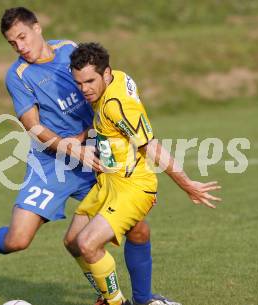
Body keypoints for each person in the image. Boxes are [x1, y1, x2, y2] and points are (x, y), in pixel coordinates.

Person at [0, 7, 160, 305]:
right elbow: (32, 125)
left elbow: (102, 88)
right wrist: (66, 146)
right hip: (51, 163)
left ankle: (143, 300)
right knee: (18, 240)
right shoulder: (17, 75)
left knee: (138, 228)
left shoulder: (69, 49)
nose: (21, 47)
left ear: (38, 28)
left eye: (23, 37)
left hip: (92, 156)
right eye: (13, 43)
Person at [65, 42, 222, 305]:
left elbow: (151, 146)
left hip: (132, 186)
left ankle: (116, 301)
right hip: (109, 183)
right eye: (79, 83)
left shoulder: (117, 104)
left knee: (88, 244)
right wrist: (81, 137)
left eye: (89, 81)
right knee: (73, 241)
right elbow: (111, 128)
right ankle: (130, 298)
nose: (84, 90)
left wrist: (187, 185)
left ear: (106, 73)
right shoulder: (117, 80)